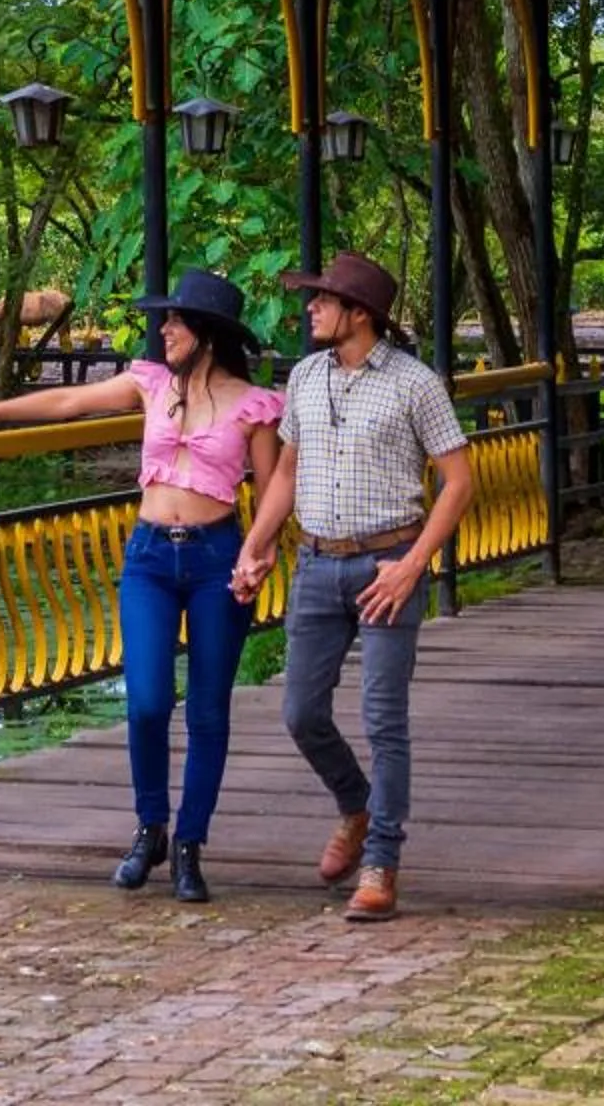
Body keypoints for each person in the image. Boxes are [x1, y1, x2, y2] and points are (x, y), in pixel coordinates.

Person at [0, 268, 281, 903]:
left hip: (216, 555)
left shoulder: (252, 404)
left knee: (208, 710)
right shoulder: (149, 383)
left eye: (176, 320)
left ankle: (191, 846)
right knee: (145, 701)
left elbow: (275, 489)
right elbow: (65, 403)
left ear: (208, 333)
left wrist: (259, 550)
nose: (163, 328)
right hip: (148, 557)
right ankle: (150, 830)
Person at [231, 250, 472, 923]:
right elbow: (284, 473)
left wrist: (413, 564)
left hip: (387, 561)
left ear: (358, 314)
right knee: (300, 713)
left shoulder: (414, 384)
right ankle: (356, 806)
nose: (310, 309)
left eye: (322, 300)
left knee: (382, 718)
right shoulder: (305, 376)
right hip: (315, 562)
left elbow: (459, 481)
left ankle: (381, 863)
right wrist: (258, 547)